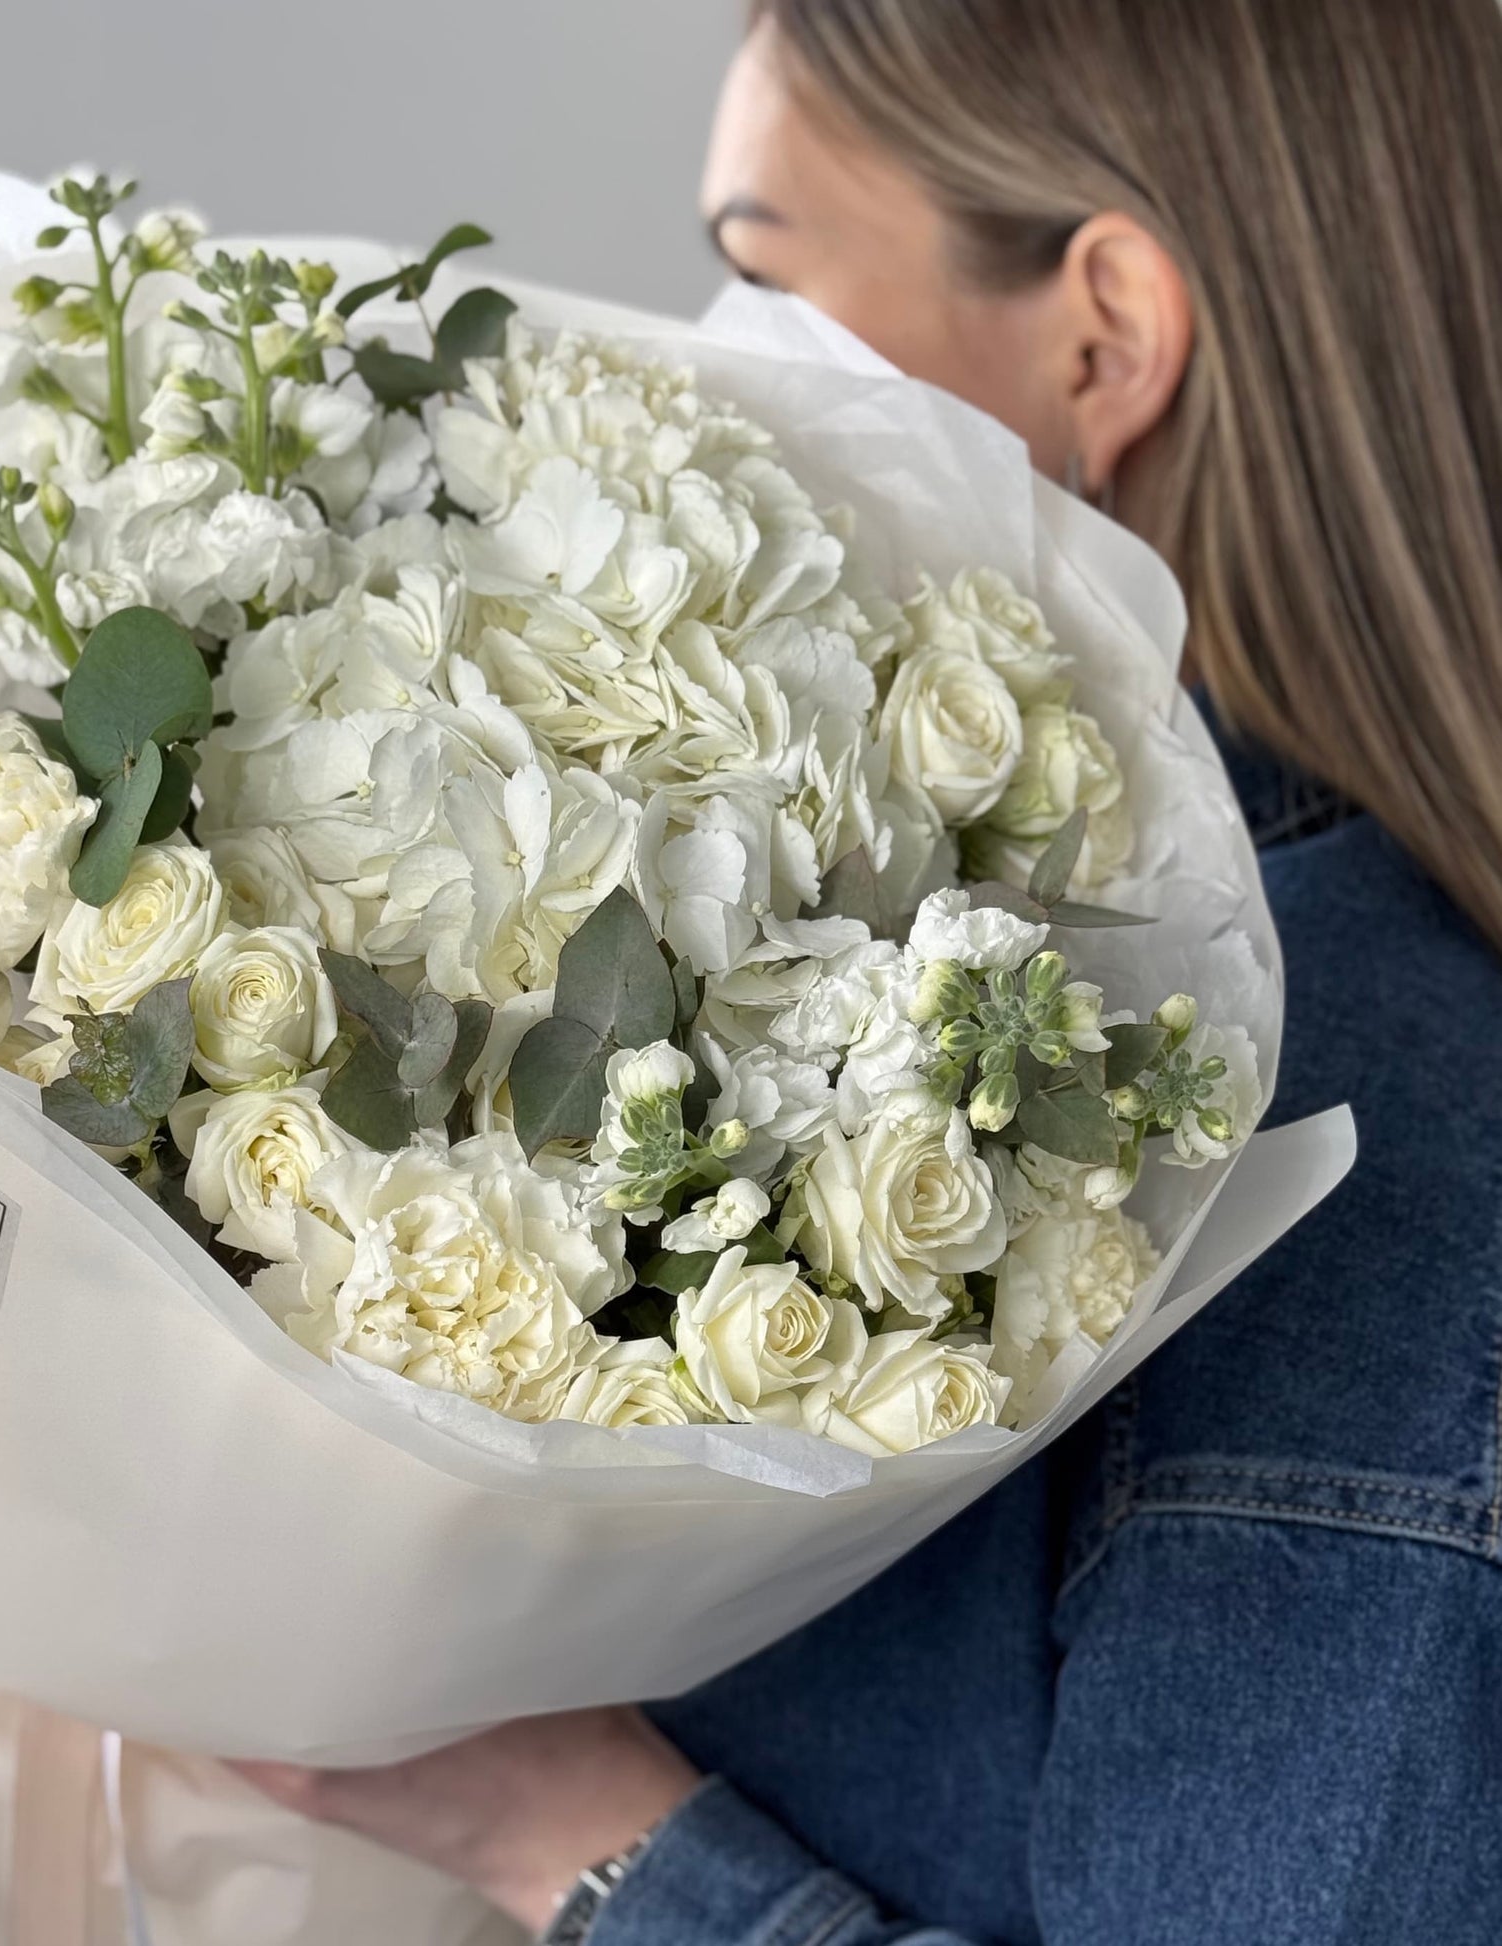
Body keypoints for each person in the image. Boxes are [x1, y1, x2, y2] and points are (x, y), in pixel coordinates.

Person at [227, 3, 1502, 1939]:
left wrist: (576, 1835)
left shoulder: (1357, 1178)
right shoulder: (901, 929)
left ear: (1105, 337)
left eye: (767, 279)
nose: (716, 360)